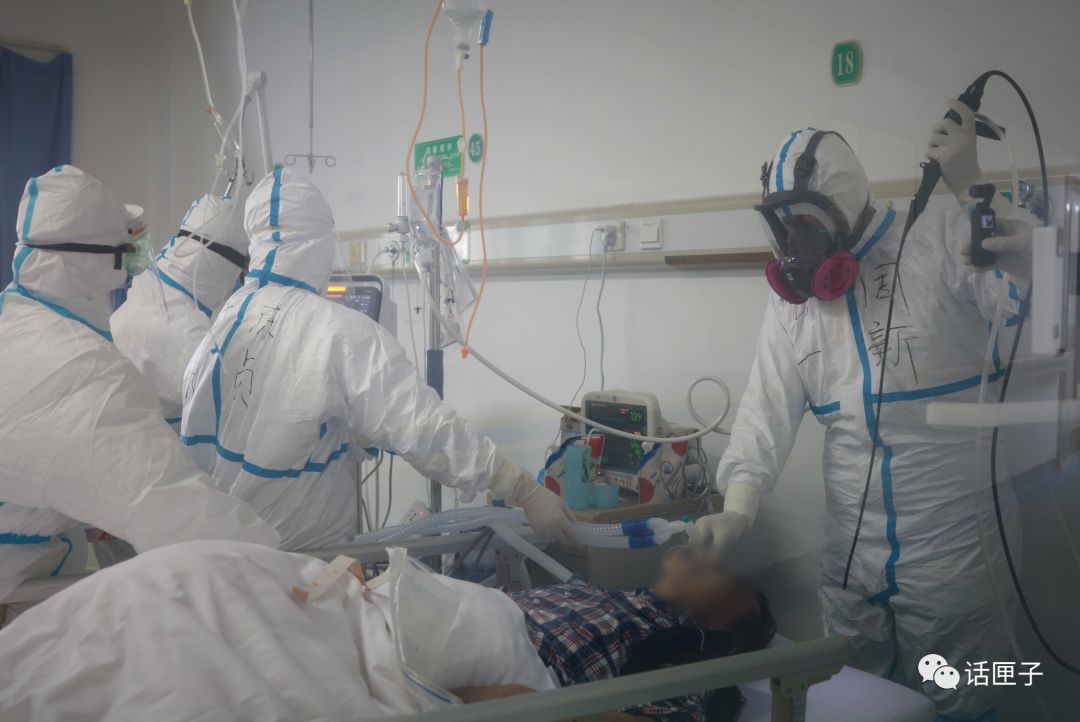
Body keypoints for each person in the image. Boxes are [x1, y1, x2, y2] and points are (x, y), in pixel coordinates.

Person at [691, 105, 1031, 720]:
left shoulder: (940, 239)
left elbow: (1021, 298)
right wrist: (737, 508)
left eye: (807, 223)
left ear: (844, 204)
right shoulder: (795, 304)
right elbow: (765, 409)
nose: (796, 243)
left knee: (968, 700)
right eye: (783, 227)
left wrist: (973, 188)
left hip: (955, 551)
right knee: (858, 701)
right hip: (851, 557)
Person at [181, 167, 577, 550]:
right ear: (321, 241)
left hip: (217, 553)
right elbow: (425, 428)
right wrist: (520, 486)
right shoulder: (335, 330)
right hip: (296, 563)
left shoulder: (226, 319)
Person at [0, 539, 774, 722]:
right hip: (375, 610)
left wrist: (493, 705)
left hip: (467, 660)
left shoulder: (677, 658)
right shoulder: (607, 593)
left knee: (189, 653)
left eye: (717, 567)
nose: (698, 551)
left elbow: (567, 708)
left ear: (727, 618)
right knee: (194, 579)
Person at [0, 165, 280, 601]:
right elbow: (177, 510)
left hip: (47, 551)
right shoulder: (75, 370)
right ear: (99, 259)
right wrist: (305, 579)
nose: (137, 257)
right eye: (128, 245)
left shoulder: (20, 319)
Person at [501, 546, 776, 721]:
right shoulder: (617, 597)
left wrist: (547, 710)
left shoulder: (684, 655)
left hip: (515, 658)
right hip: (490, 607)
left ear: (728, 637)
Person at [112, 193, 249, 427]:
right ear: (225, 268)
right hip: (152, 438)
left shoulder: (146, 283)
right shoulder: (187, 335)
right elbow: (235, 404)